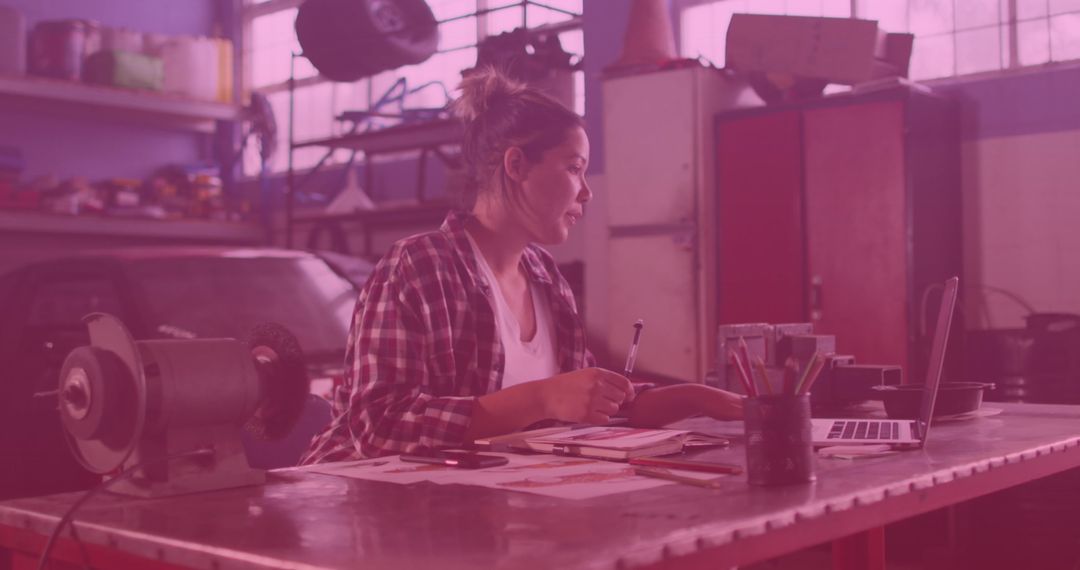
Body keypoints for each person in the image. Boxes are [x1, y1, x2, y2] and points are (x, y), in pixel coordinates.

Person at [300, 67, 742, 463]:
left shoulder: (548, 280)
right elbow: (379, 425)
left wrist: (700, 398)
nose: (587, 192)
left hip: (478, 510)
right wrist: (541, 399)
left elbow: (589, 402)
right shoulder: (418, 266)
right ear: (515, 164)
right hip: (358, 506)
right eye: (574, 168)